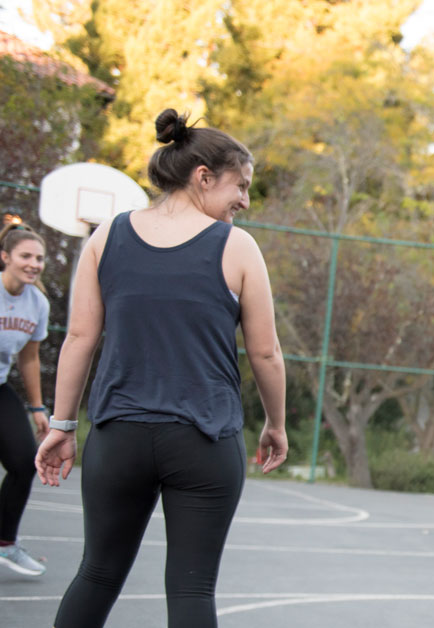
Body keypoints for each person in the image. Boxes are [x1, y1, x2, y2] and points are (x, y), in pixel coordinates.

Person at [34, 108, 288, 627]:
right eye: (240, 186)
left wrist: (62, 425)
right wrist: (276, 424)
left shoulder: (106, 236)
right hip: (203, 437)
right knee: (193, 589)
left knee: (97, 574)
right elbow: (265, 353)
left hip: (118, 436)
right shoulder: (237, 247)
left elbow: (80, 337)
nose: (244, 200)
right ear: (203, 177)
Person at [0, 222, 51, 576]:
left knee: (22, 462)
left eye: (40, 258)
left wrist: (37, 407)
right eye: (26, 256)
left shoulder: (37, 304)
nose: (34, 263)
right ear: (5, 258)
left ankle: (5, 543)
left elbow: (29, 358)